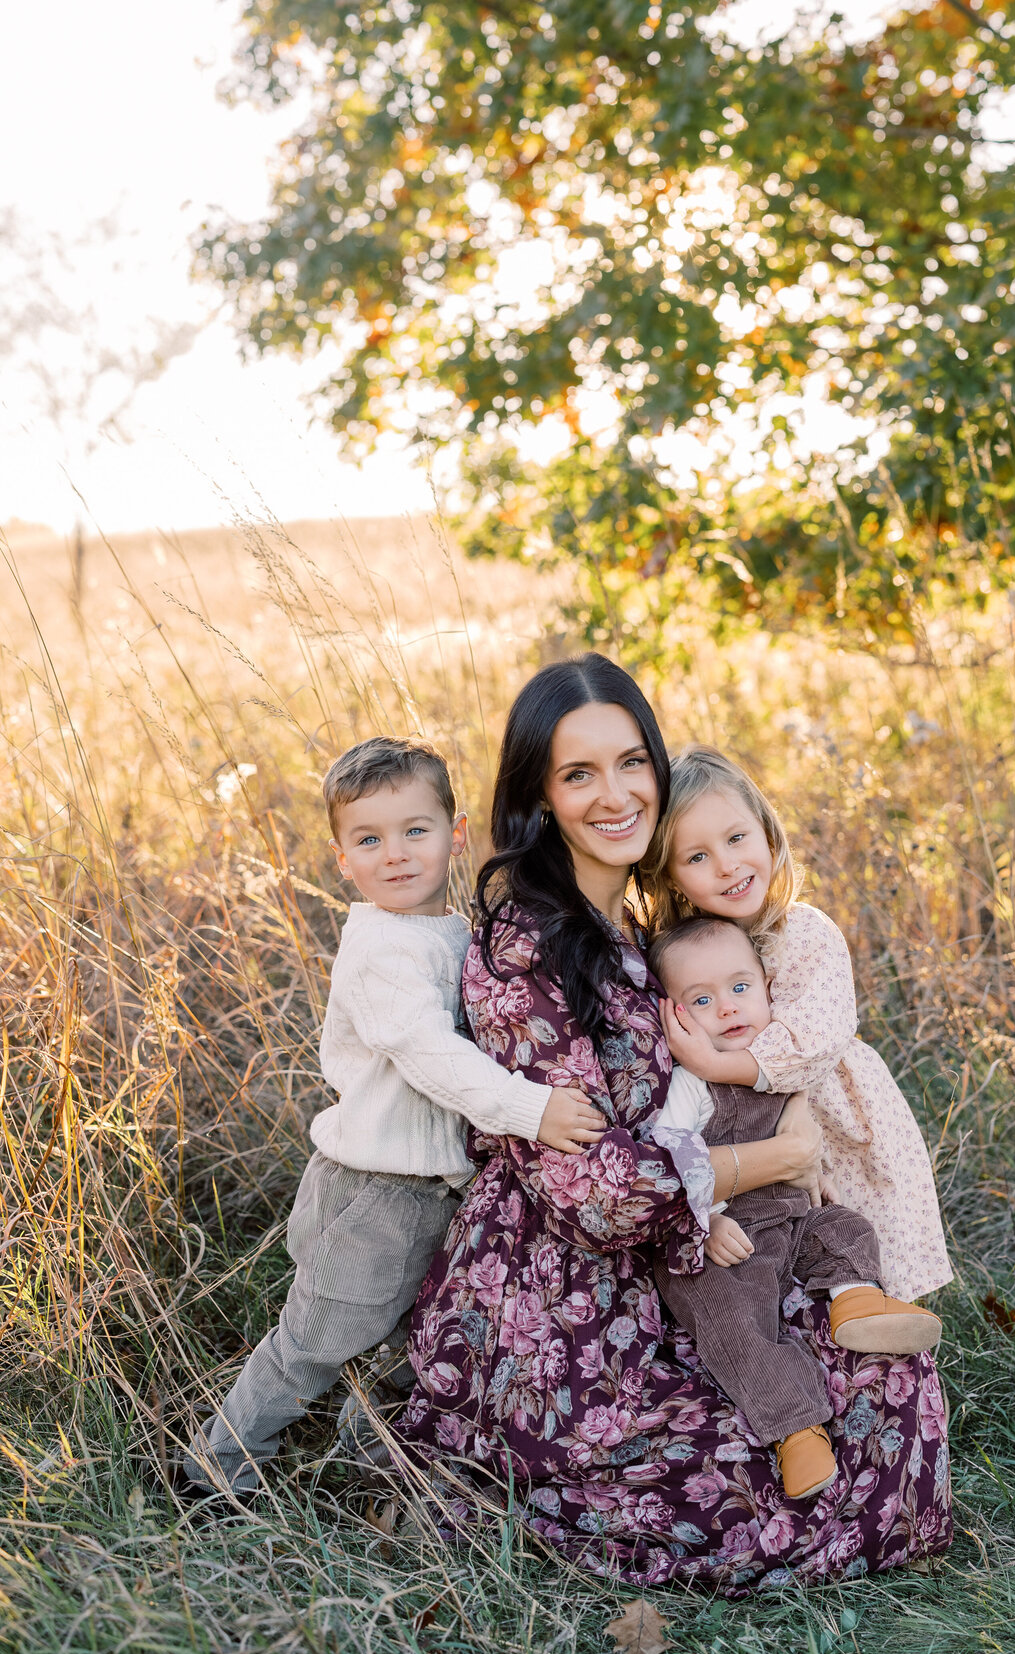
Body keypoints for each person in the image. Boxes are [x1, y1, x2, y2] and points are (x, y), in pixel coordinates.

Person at [396, 656, 953, 1590]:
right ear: (540, 794)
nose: (613, 795)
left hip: (701, 1250)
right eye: (578, 775)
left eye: (630, 764)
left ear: (658, 765)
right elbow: (591, 1194)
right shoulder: (523, 943)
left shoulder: (655, 927)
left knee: (892, 1386)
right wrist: (778, 1155)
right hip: (570, 1294)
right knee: (756, 1477)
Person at [182, 735, 603, 1497]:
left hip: (429, 1193)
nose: (396, 855)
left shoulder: (449, 930)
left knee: (417, 1337)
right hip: (374, 1192)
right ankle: (220, 1466)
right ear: (342, 859)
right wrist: (530, 1110)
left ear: (458, 833)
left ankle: (367, 1455)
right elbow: (427, 1052)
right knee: (314, 1342)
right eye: (369, 840)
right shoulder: (381, 951)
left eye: (416, 830)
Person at [644, 915, 941, 1502]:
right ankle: (796, 1432)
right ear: (675, 1017)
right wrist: (702, 1223)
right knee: (735, 1322)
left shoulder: (776, 1061)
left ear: (764, 985)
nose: (728, 1008)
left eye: (740, 987)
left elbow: (808, 1139)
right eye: (701, 999)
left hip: (790, 1217)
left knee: (845, 1226)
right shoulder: (688, 1084)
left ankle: (855, 1301)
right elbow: (672, 1154)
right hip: (728, 1236)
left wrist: (818, 1179)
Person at [642, 745, 954, 1302]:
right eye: (697, 857)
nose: (727, 865)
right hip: (739, 1137)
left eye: (737, 839)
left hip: (829, 1115)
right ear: (669, 877)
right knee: (773, 1249)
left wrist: (716, 1063)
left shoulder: (804, 932)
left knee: (848, 1224)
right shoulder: (680, 955)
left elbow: (815, 1038)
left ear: (766, 831)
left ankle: (872, 1313)